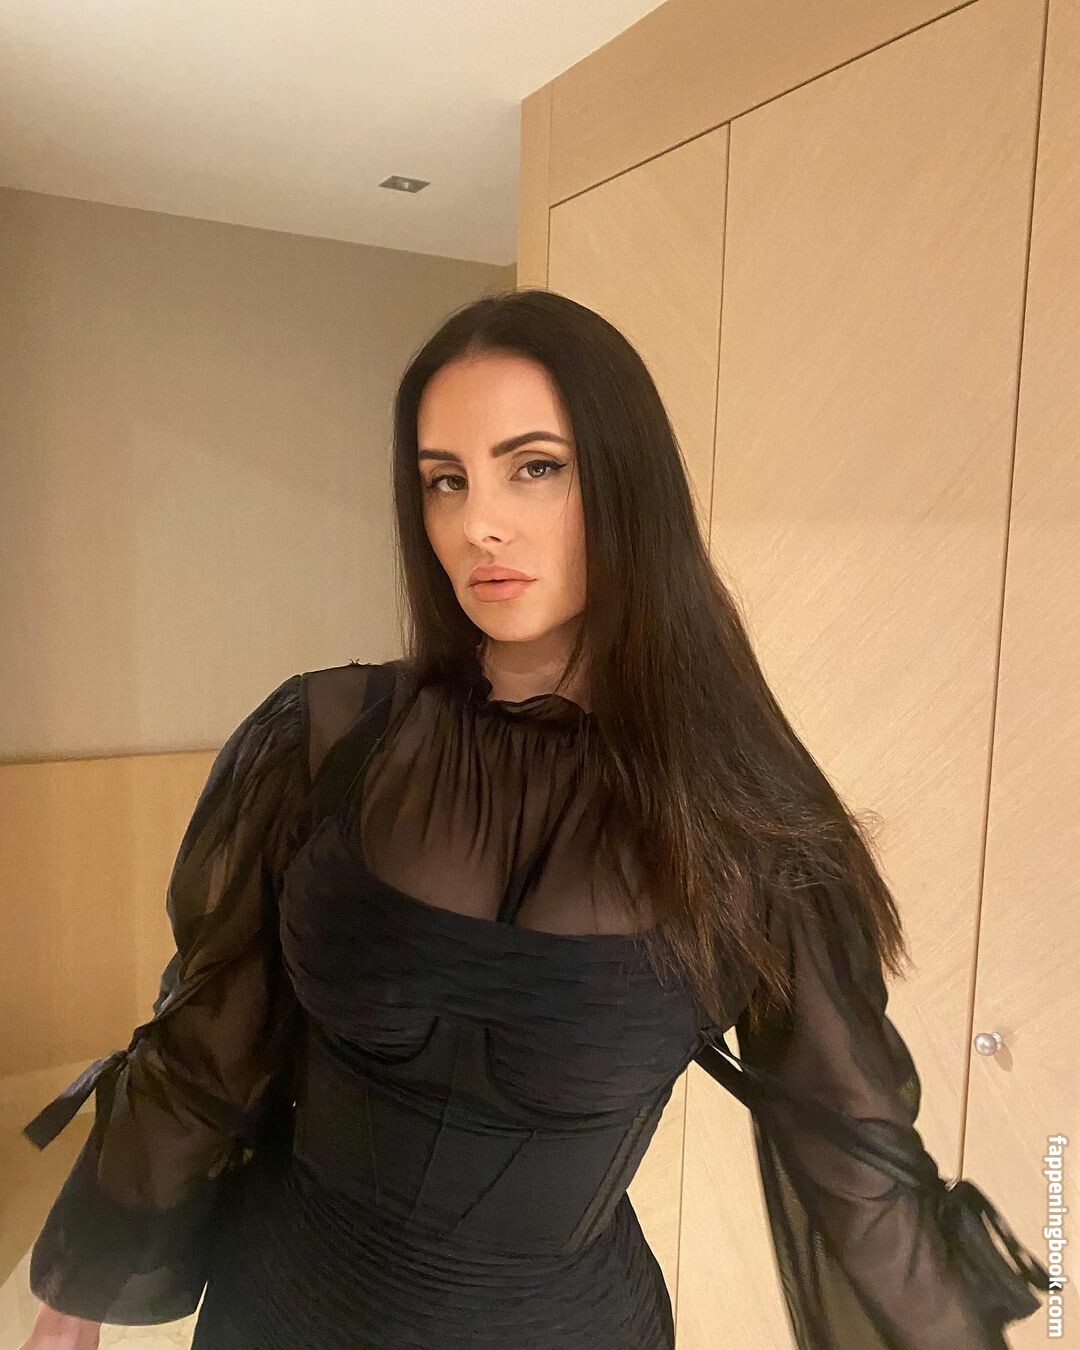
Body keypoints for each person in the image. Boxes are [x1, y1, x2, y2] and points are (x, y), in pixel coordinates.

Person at [20, 290, 1048, 1349]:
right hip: (280, 1309)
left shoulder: (750, 825)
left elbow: (859, 1171)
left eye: (535, 467)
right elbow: (208, 1043)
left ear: (627, 483)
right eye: (445, 481)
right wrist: (74, 1295)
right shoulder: (323, 740)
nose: (479, 523)